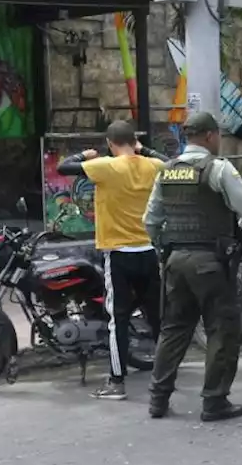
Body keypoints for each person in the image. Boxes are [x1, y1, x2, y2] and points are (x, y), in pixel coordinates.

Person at [143, 111, 242, 421]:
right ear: (209, 136)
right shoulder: (217, 169)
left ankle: (158, 400)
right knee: (222, 329)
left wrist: (163, 248)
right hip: (210, 263)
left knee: (174, 329)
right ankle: (214, 401)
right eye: (217, 135)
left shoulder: (166, 171)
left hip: (175, 262)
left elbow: (150, 221)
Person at [56, 120, 166, 400]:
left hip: (119, 255)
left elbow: (63, 167)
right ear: (134, 141)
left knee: (118, 319)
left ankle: (117, 383)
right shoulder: (151, 166)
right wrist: (146, 151)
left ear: (110, 143)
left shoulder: (106, 166)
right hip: (148, 252)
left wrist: (85, 156)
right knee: (157, 318)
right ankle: (166, 376)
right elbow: (170, 163)